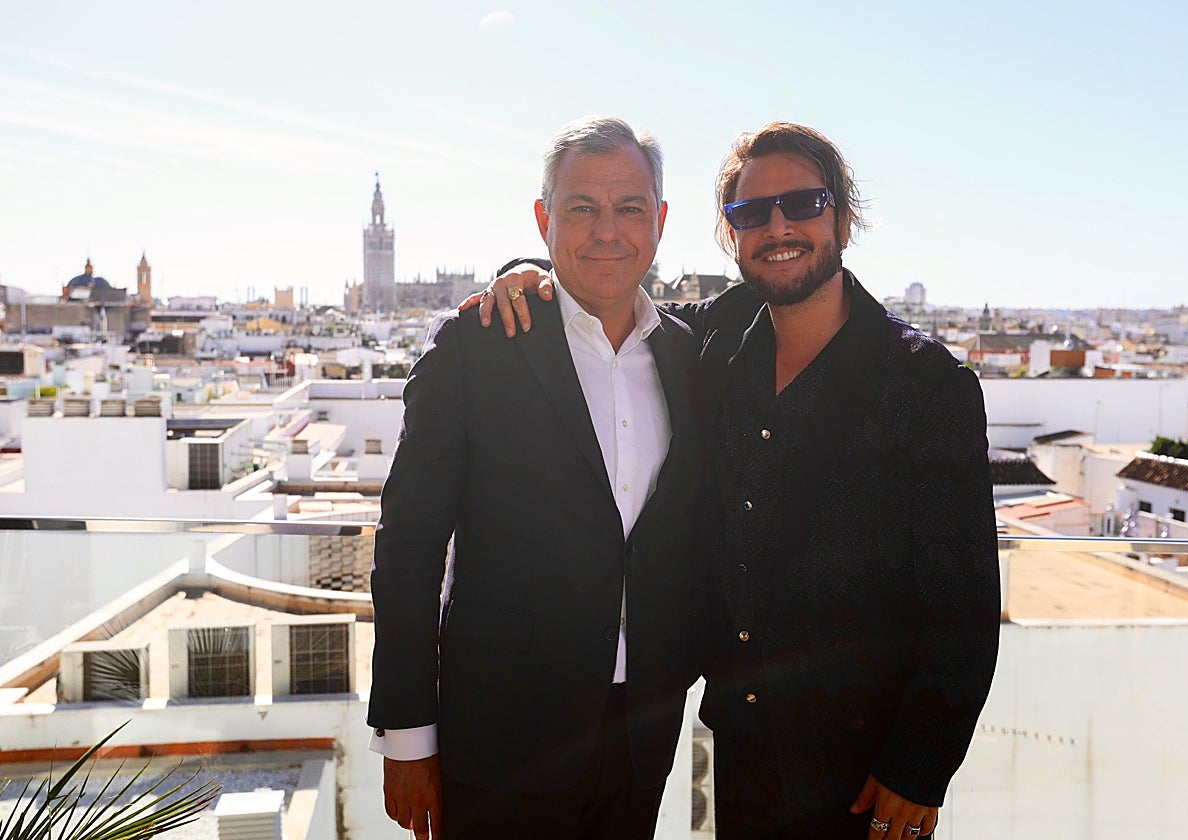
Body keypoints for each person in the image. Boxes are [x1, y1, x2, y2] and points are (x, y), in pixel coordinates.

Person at [473, 121, 1001, 839]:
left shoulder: (926, 385)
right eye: (751, 213)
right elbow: (604, 291)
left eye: (803, 205)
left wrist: (921, 765)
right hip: (744, 746)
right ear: (730, 234)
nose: (778, 228)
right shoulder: (713, 343)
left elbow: (965, 604)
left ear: (842, 218)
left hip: (867, 768)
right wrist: (526, 271)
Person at [367, 115, 705, 840]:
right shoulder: (478, 345)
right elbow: (409, 551)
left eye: (630, 208)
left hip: (640, 736)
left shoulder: (688, 355)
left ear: (661, 221)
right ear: (543, 219)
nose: (607, 230)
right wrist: (407, 735)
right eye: (581, 207)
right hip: (500, 744)